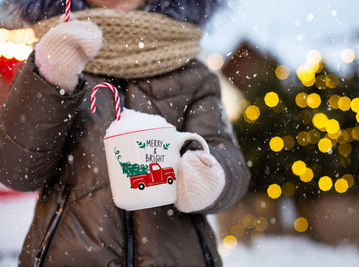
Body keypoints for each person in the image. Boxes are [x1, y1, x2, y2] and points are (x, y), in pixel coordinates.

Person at [0, 0, 250, 266]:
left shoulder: (192, 74)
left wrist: (210, 175)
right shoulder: (53, 57)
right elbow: (17, 171)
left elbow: (227, 158)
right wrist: (49, 80)